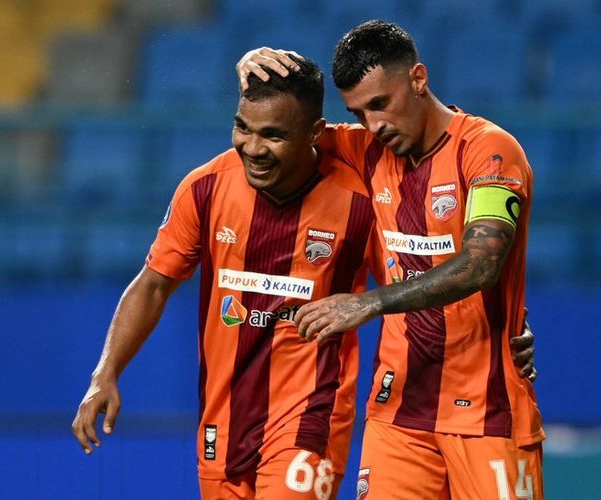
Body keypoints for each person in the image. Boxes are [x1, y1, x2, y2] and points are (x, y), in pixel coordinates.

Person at [237, 20, 545, 500]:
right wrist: (253, 68)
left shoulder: (489, 151)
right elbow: (280, 132)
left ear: (418, 79)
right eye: (358, 113)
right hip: (397, 412)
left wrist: (370, 302)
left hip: (490, 411)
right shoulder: (365, 151)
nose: (374, 125)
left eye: (380, 104)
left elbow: (480, 264)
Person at [72, 56, 374, 500]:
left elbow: (412, 272)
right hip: (223, 421)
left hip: (310, 414)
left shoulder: (359, 201)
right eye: (243, 128)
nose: (252, 147)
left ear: (315, 133)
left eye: (273, 135)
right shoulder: (206, 187)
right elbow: (154, 283)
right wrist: (106, 372)